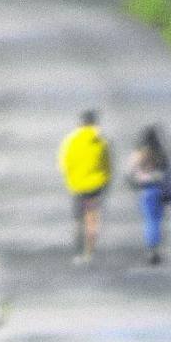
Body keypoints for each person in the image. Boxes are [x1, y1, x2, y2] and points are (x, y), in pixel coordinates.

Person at [57, 110, 111, 266]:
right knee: (92, 218)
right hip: (96, 185)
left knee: (78, 220)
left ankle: (78, 251)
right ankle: (90, 252)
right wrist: (105, 181)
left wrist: (70, 180)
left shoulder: (71, 141)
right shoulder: (101, 141)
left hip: (77, 186)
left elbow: (64, 163)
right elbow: (107, 165)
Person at [126, 125, 171, 265]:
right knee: (159, 221)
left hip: (145, 190)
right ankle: (157, 248)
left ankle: (151, 248)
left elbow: (130, 173)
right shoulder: (162, 153)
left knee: (149, 220)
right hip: (160, 190)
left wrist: (136, 181)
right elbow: (170, 174)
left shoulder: (139, 154)